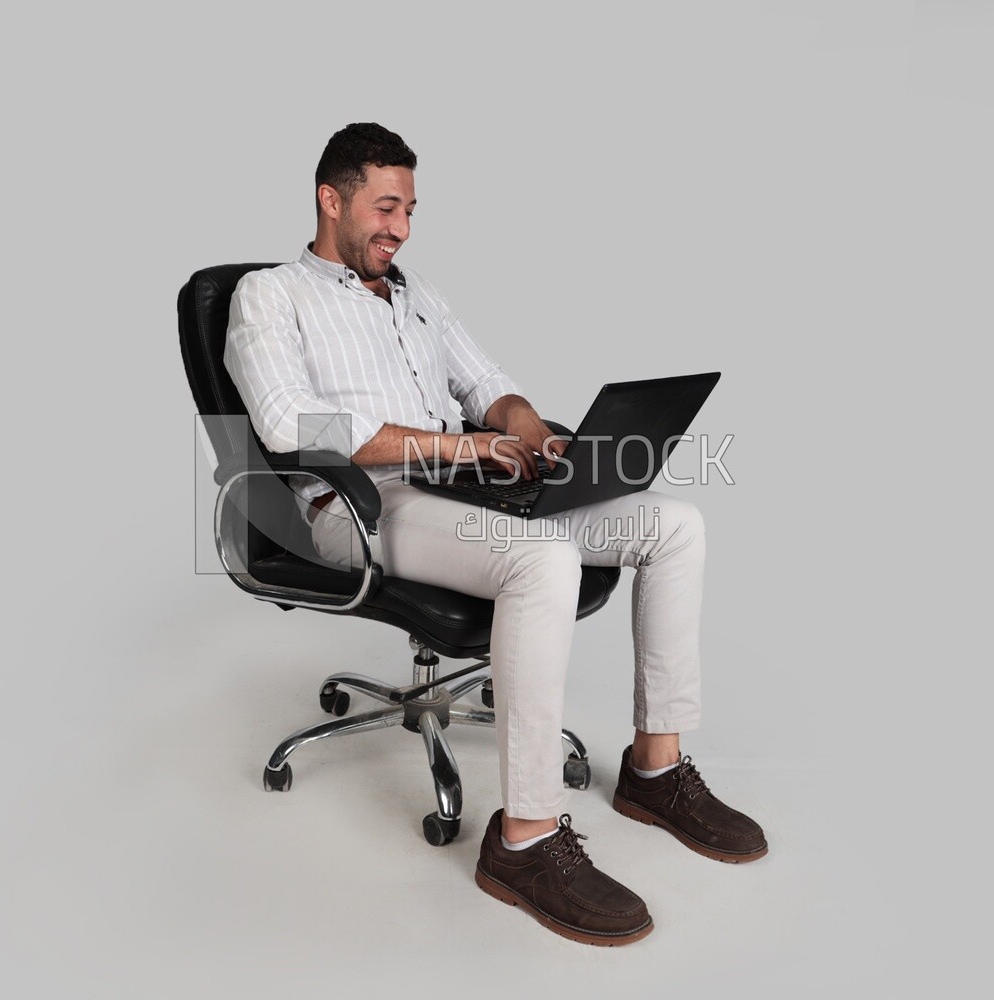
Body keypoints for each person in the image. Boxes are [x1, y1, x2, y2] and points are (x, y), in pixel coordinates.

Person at [225, 123, 767, 946]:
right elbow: (292, 422)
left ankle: (655, 770)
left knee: (675, 526)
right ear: (330, 200)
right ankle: (526, 838)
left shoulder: (417, 296)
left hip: (461, 488)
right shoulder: (269, 296)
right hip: (354, 509)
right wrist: (457, 447)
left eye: (409, 210)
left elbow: (490, 387)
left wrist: (531, 438)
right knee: (545, 559)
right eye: (384, 207)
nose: (399, 228)